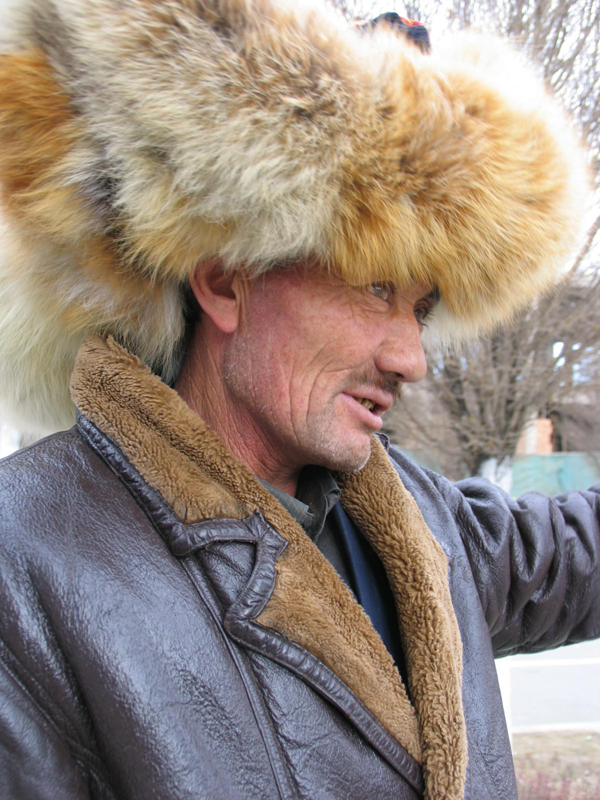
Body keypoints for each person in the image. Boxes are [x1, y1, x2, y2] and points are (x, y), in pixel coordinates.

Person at [0, 1, 597, 799]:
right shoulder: (27, 557)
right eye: (375, 287)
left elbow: (573, 556)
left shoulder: (423, 521)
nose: (412, 359)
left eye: (420, 310)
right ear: (226, 282)